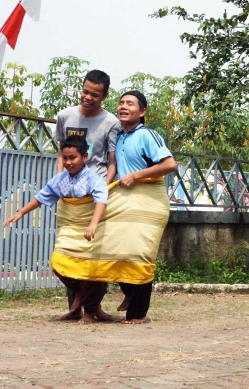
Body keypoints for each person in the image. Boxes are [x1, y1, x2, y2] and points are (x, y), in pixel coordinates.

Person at [3, 136, 108, 324]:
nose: (68, 162)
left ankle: (89, 313)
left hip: (90, 230)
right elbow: (42, 196)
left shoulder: (94, 179)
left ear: (85, 157)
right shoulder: (60, 179)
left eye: (73, 158)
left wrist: (93, 224)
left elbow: (101, 200)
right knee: (58, 263)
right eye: (65, 158)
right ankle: (79, 298)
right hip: (68, 228)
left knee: (91, 271)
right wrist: (20, 213)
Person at [55, 69, 120, 321]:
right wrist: (60, 182)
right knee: (66, 251)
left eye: (95, 94)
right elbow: (61, 154)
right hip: (70, 196)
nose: (88, 97)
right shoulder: (65, 116)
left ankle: (91, 309)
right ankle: (78, 304)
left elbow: (112, 162)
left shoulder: (111, 123)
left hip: (95, 197)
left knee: (95, 251)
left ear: (104, 96)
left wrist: (102, 188)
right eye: (85, 91)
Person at [115, 90, 177, 324]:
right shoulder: (120, 137)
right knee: (118, 249)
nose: (123, 107)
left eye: (130, 104)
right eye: (121, 103)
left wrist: (136, 176)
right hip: (125, 203)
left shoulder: (148, 135)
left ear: (142, 112)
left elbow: (170, 164)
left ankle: (138, 313)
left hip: (149, 203)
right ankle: (130, 295)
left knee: (139, 253)